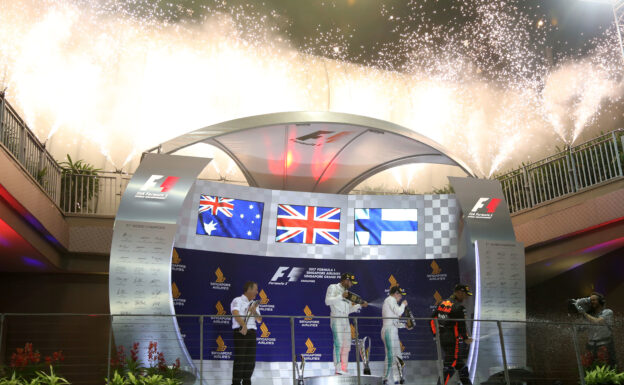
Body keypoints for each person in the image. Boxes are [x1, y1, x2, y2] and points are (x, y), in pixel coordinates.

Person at [325, 272, 368, 375]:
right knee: (338, 343)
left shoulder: (347, 293)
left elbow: (348, 310)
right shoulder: (333, 287)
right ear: (346, 280)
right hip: (336, 318)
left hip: (345, 319)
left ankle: (344, 368)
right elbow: (327, 301)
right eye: (350, 282)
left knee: (346, 345)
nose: (351, 285)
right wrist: (341, 296)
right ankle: (338, 369)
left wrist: (360, 305)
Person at [430, 283, 474, 385]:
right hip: (453, 340)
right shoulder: (458, 307)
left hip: (443, 339)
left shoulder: (442, 303)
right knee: (449, 366)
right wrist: (466, 338)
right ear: (459, 292)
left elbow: (432, 320)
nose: (466, 297)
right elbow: (461, 326)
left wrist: (436, 334)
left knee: (461, 366)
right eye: (465, 294)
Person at [230, 281, 262, 385]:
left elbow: (259, 320)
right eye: (255, 289)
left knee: (250, 360)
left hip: (252, 333)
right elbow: (235, 313)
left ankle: (247, 381)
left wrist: (254, 311)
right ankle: (236, 383)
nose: (257, 292)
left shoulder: (254, 303)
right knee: (240, 359)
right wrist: (243, 325)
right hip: (240, 332)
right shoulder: (237, 300)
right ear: (249, 289)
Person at [575, 292, 616, 368]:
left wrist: (584, 313)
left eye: (594, 300)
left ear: (600, 301)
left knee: (607, 368)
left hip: (604, 345)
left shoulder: (607, 312)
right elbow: (578, 329)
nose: (591, 302)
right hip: (591, 346)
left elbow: (597, 321)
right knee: (589, 367)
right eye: (590, 301)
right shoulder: (589, 316)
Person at [382, 285, 408, 385]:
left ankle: (398, 378)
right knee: (390, 355)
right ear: (396, 294)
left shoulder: (392, 302)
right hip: (388, 331)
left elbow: (395, 322)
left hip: (392, 330)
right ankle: (385, 379)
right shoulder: (390, 299)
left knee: (398, 355)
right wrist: (403, 305)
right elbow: (398, 311)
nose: (401, 298)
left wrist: (405, 325)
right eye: (400, 296)